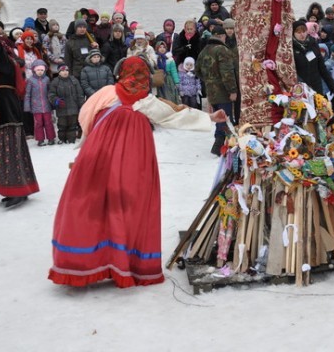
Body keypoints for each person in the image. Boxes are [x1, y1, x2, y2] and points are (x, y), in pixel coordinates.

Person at [49, 56, 226, 288]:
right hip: (133, 160)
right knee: (128, 204)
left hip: (98, 155)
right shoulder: (146, 101)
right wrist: (209, 118)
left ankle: (85, 260)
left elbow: (86, 115)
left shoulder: (106, 92)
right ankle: (125, 261)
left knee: (93, 202)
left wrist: (88, 143)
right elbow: (174, 114)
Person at [0, 24, 39, 209]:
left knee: (8, 151)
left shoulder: (7, 65)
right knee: (1, 152)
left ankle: (16, 189)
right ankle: (12, 188)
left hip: (5, 114)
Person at [195, 25, 237, 155]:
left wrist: (209, 80)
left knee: (219, 117)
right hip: (223, 91)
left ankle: (222, 144)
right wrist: (233, 90)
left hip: (211, 91)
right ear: (222, 36)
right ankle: (219, 146)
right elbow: (227, 73)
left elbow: (197, 70)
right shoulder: (222, 50)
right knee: (224, 118)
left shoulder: (204, 50)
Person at [292, 20, 334, 99]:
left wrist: (332, 86)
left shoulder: (313, 44)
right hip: (300, 89)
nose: (302, 34)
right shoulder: (291, 48)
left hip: (316, 86)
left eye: (304, 31)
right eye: (298, 32)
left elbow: (322, 68)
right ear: (293, 33)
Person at [48, 64, 84, 144]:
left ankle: (71, 139)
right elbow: (51, 94)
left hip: (73, 107)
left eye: (67, 70)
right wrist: (56, 100)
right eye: (63, 71)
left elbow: (80, 94)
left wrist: (81, 104)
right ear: (59, 72)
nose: (65, 72)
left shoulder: (74, 80)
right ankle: (62, 139)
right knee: (62, 124)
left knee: (72, 124)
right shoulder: (55, 82)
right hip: (62, 108)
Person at [24, 60, 56, 146]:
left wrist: (52, 103)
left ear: (44, 70)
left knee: (48, 122)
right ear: (34, 70)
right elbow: (27, 94)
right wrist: (27, 106)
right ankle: (40, 139)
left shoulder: (47, 79)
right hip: (36, 106)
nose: (40, 72)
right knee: (38, 123)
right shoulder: (30, 81)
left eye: (42, 70)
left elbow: (50, 92)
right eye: (38, 70)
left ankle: (51, 138)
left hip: (46, 106)